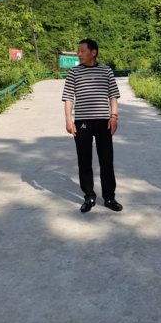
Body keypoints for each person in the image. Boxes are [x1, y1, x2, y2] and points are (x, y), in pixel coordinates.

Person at [62, 39, 123, 213]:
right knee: (84, 160)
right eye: (78, 51)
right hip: (82, 123)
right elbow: (68, 97)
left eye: (82, 51)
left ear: (93, 52)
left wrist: (114, 116)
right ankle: (89, 196)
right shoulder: (74, 72)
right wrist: (68, 120)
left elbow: (113, 95)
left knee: (106, 160)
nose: (79, 54)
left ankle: (109, 197)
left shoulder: (106, 71)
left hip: (104, 122)